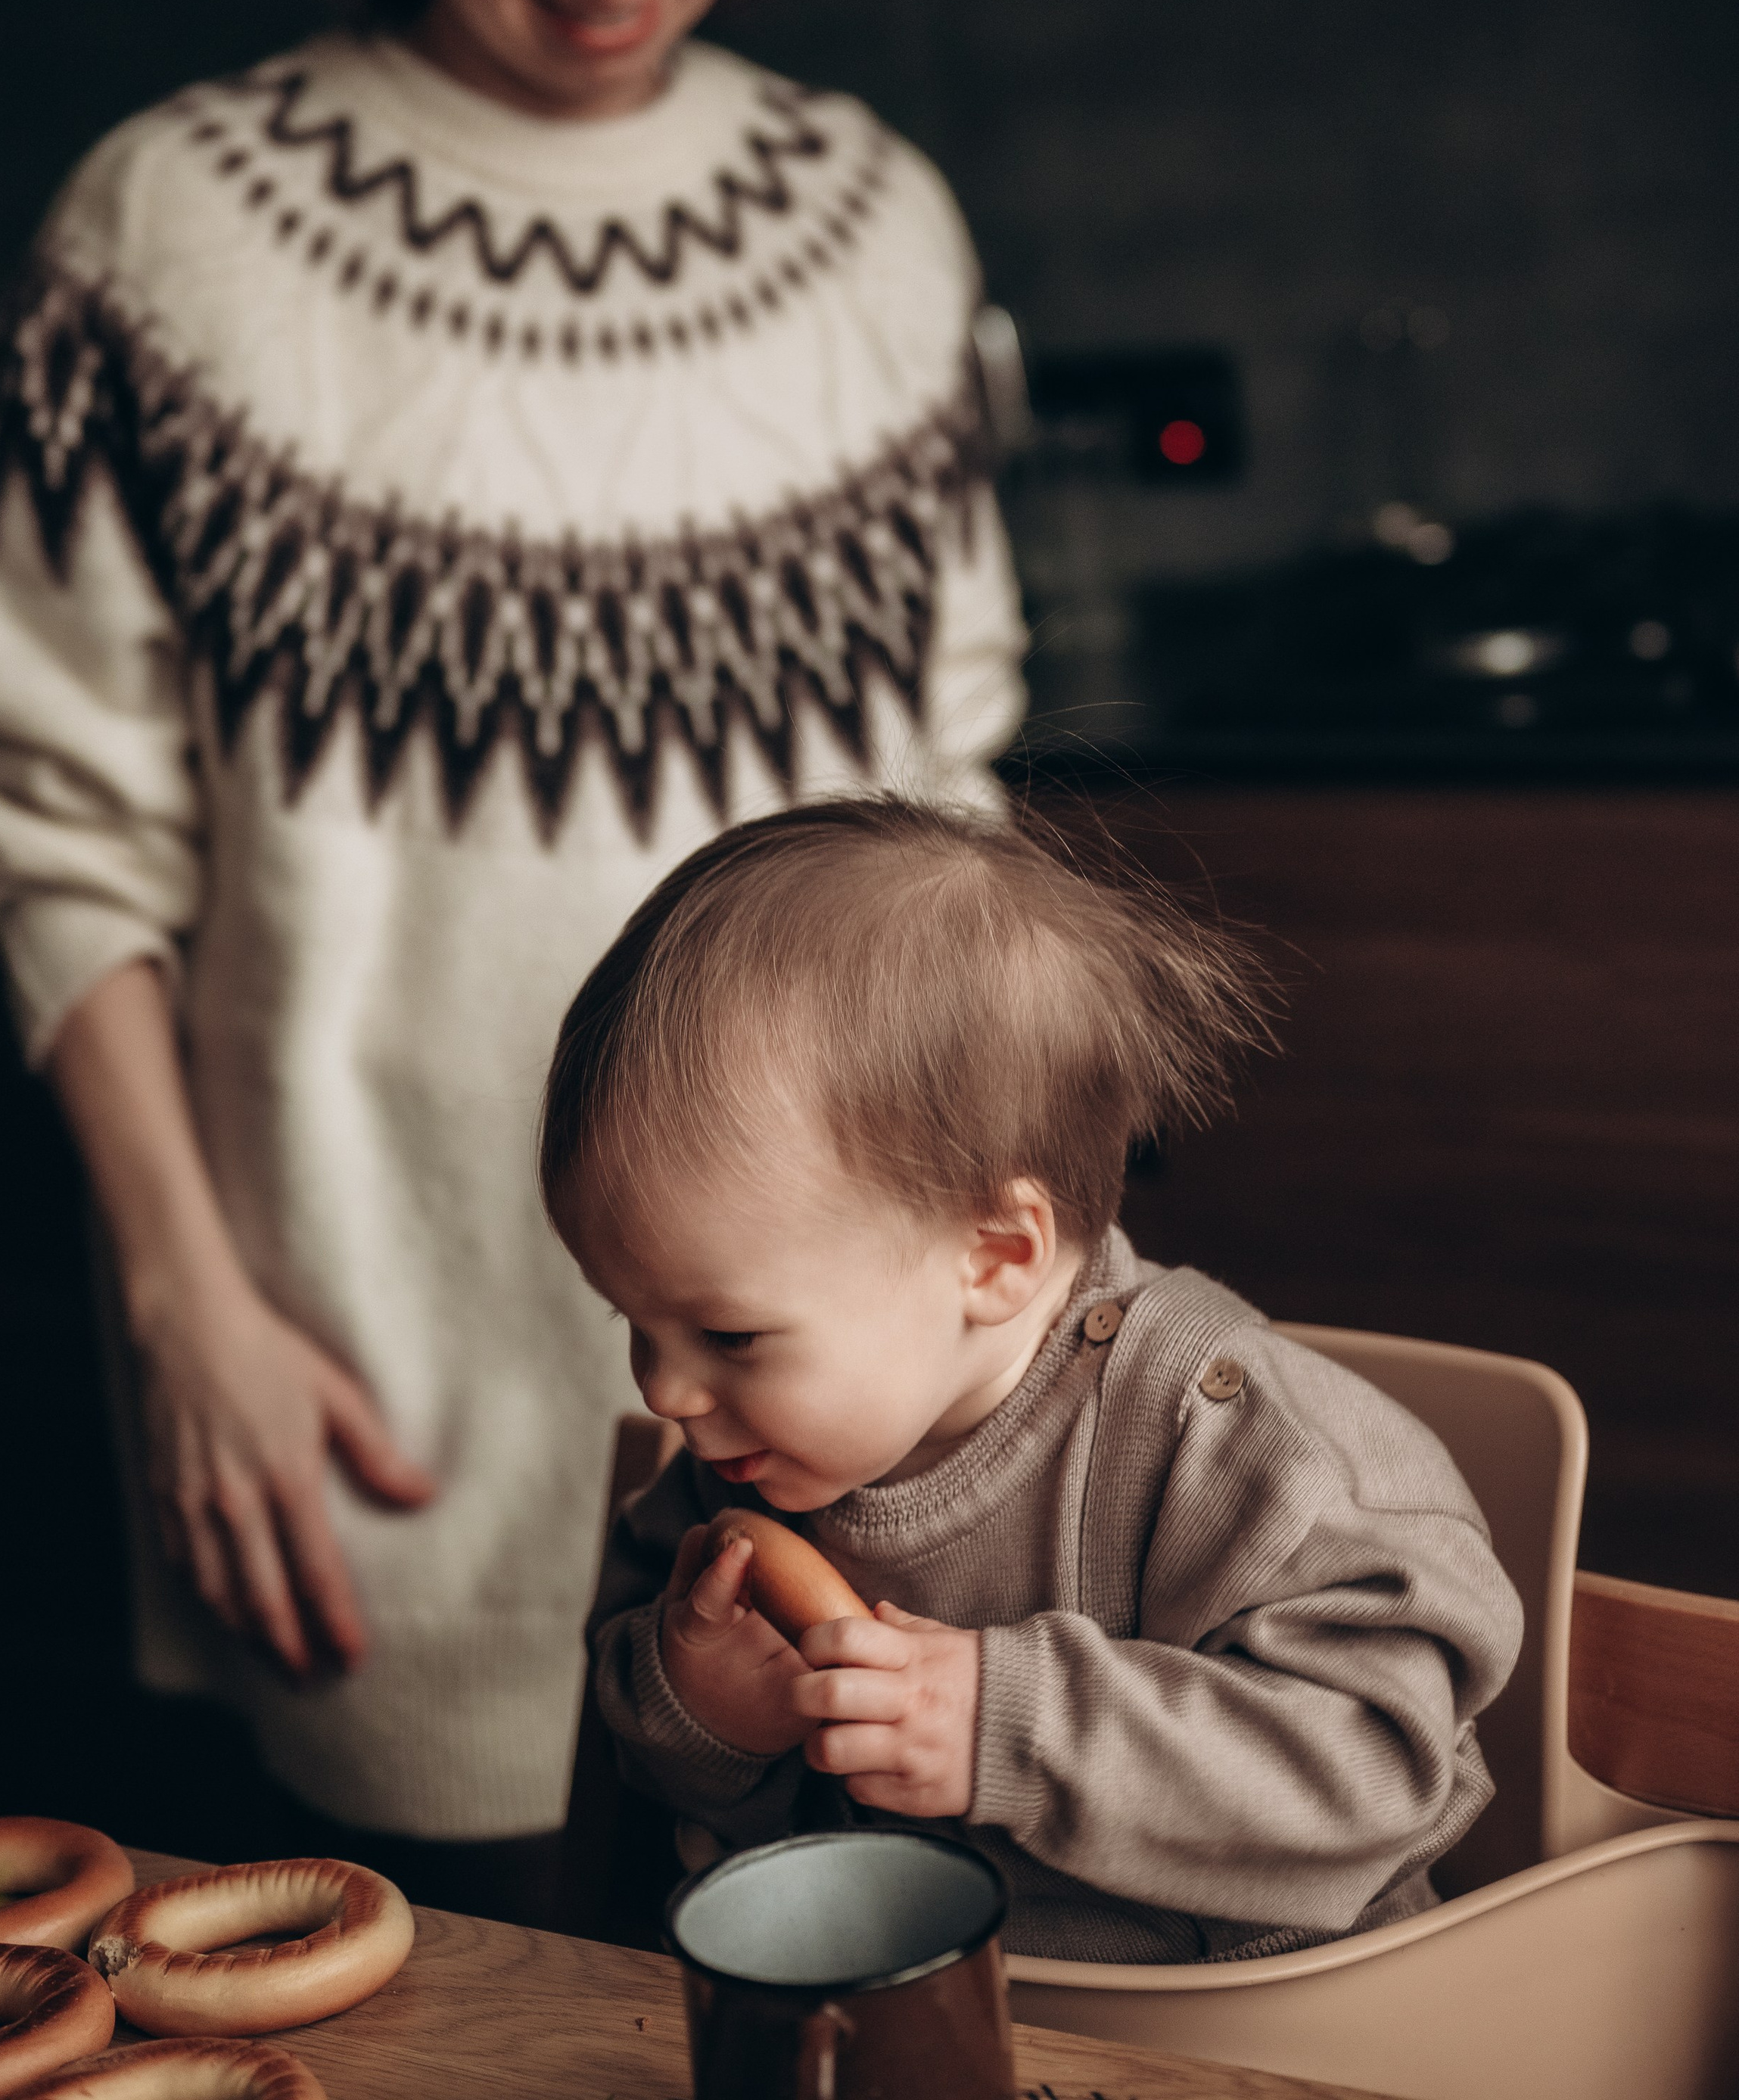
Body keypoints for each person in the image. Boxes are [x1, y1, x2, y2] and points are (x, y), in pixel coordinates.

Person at [0, 0, 1028, 1919]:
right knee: (445, 2005)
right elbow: (42, 814)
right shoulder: (177, 229)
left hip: (849, 1407)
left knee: (831, 1980)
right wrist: (190, 1307)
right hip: (362, 1365)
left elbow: (955, 825)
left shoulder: (880, 229)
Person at [543, 798, 1525, 1960]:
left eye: (732, 1337)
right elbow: (660, 1771)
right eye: (634, 1322)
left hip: (1259, 2035)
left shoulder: (1244, 1451)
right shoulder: (743, 1471)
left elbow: (1379, 1771)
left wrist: (1009, 1726)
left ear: (995, 1258)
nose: (665, 1390)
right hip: (914, 2018)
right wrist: (701, 1711)